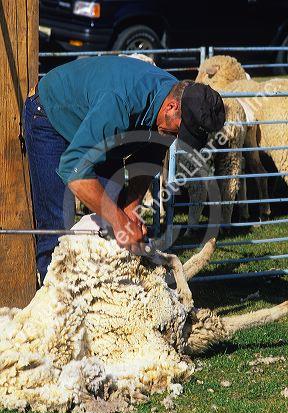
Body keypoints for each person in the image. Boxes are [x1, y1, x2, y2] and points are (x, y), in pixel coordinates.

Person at [23, 55, 225, 283]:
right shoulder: (120, 102)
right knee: (58, 225)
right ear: (171, 106)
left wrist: (130, 208)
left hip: (102, 129)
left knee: (111, 224)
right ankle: (52, 302)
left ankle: (101, 297)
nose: (177, 138)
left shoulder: (175, 104)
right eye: (179, 131)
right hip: (52, 115)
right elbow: (74, 169)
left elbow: (151, 156)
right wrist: (121, 222)